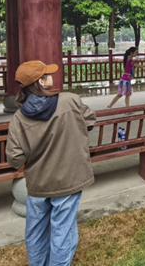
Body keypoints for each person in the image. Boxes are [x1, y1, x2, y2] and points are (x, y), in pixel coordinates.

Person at [6, 60, 96, 266]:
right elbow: (90, 120)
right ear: (41, 81)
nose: (52, 76)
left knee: (35, 230)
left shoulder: (18, 118)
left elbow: (14, 158)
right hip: (69, 178)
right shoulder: (70, 100)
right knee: (63, 230)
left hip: (38, 182)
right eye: (48, 74)